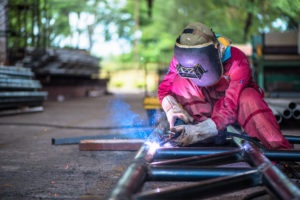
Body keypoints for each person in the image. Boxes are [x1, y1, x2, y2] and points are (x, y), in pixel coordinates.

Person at [157, 22, 291, 150]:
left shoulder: (237, 60)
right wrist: (171, 108)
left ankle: (279, 151)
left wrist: (200, 131)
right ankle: (204, 136)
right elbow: (165, 89)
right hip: (203, 112)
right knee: (180, 82)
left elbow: (231, 105)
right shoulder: (181, 60)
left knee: (249, 97)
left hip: (231, 110)